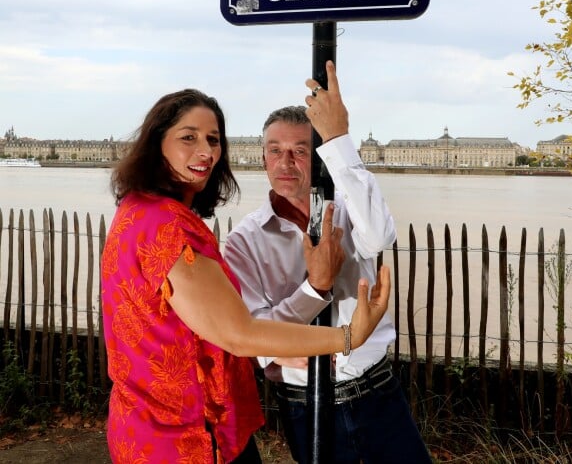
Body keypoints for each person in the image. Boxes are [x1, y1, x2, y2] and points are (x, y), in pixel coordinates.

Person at [100, 87, 391, 464]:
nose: (205, 151)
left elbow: (380, 235)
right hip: (186, 436)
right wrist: (346, 335)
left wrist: (338, 138)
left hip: (168, 422)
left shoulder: (140, 210)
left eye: (213, 140)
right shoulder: (168, 227)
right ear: (157, 143)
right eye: (188, 137)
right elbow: (242, 335)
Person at [224, 61, 432, 464]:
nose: (286, 163)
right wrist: (313, 289)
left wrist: (338, 137)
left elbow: (379, 236)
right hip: (306, 404)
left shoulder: (351, 208)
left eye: (300, 151)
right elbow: (255, 339)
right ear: (263, 158)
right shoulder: (243, 242)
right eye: (275, 151)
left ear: (317, 157)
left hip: (377, 392)